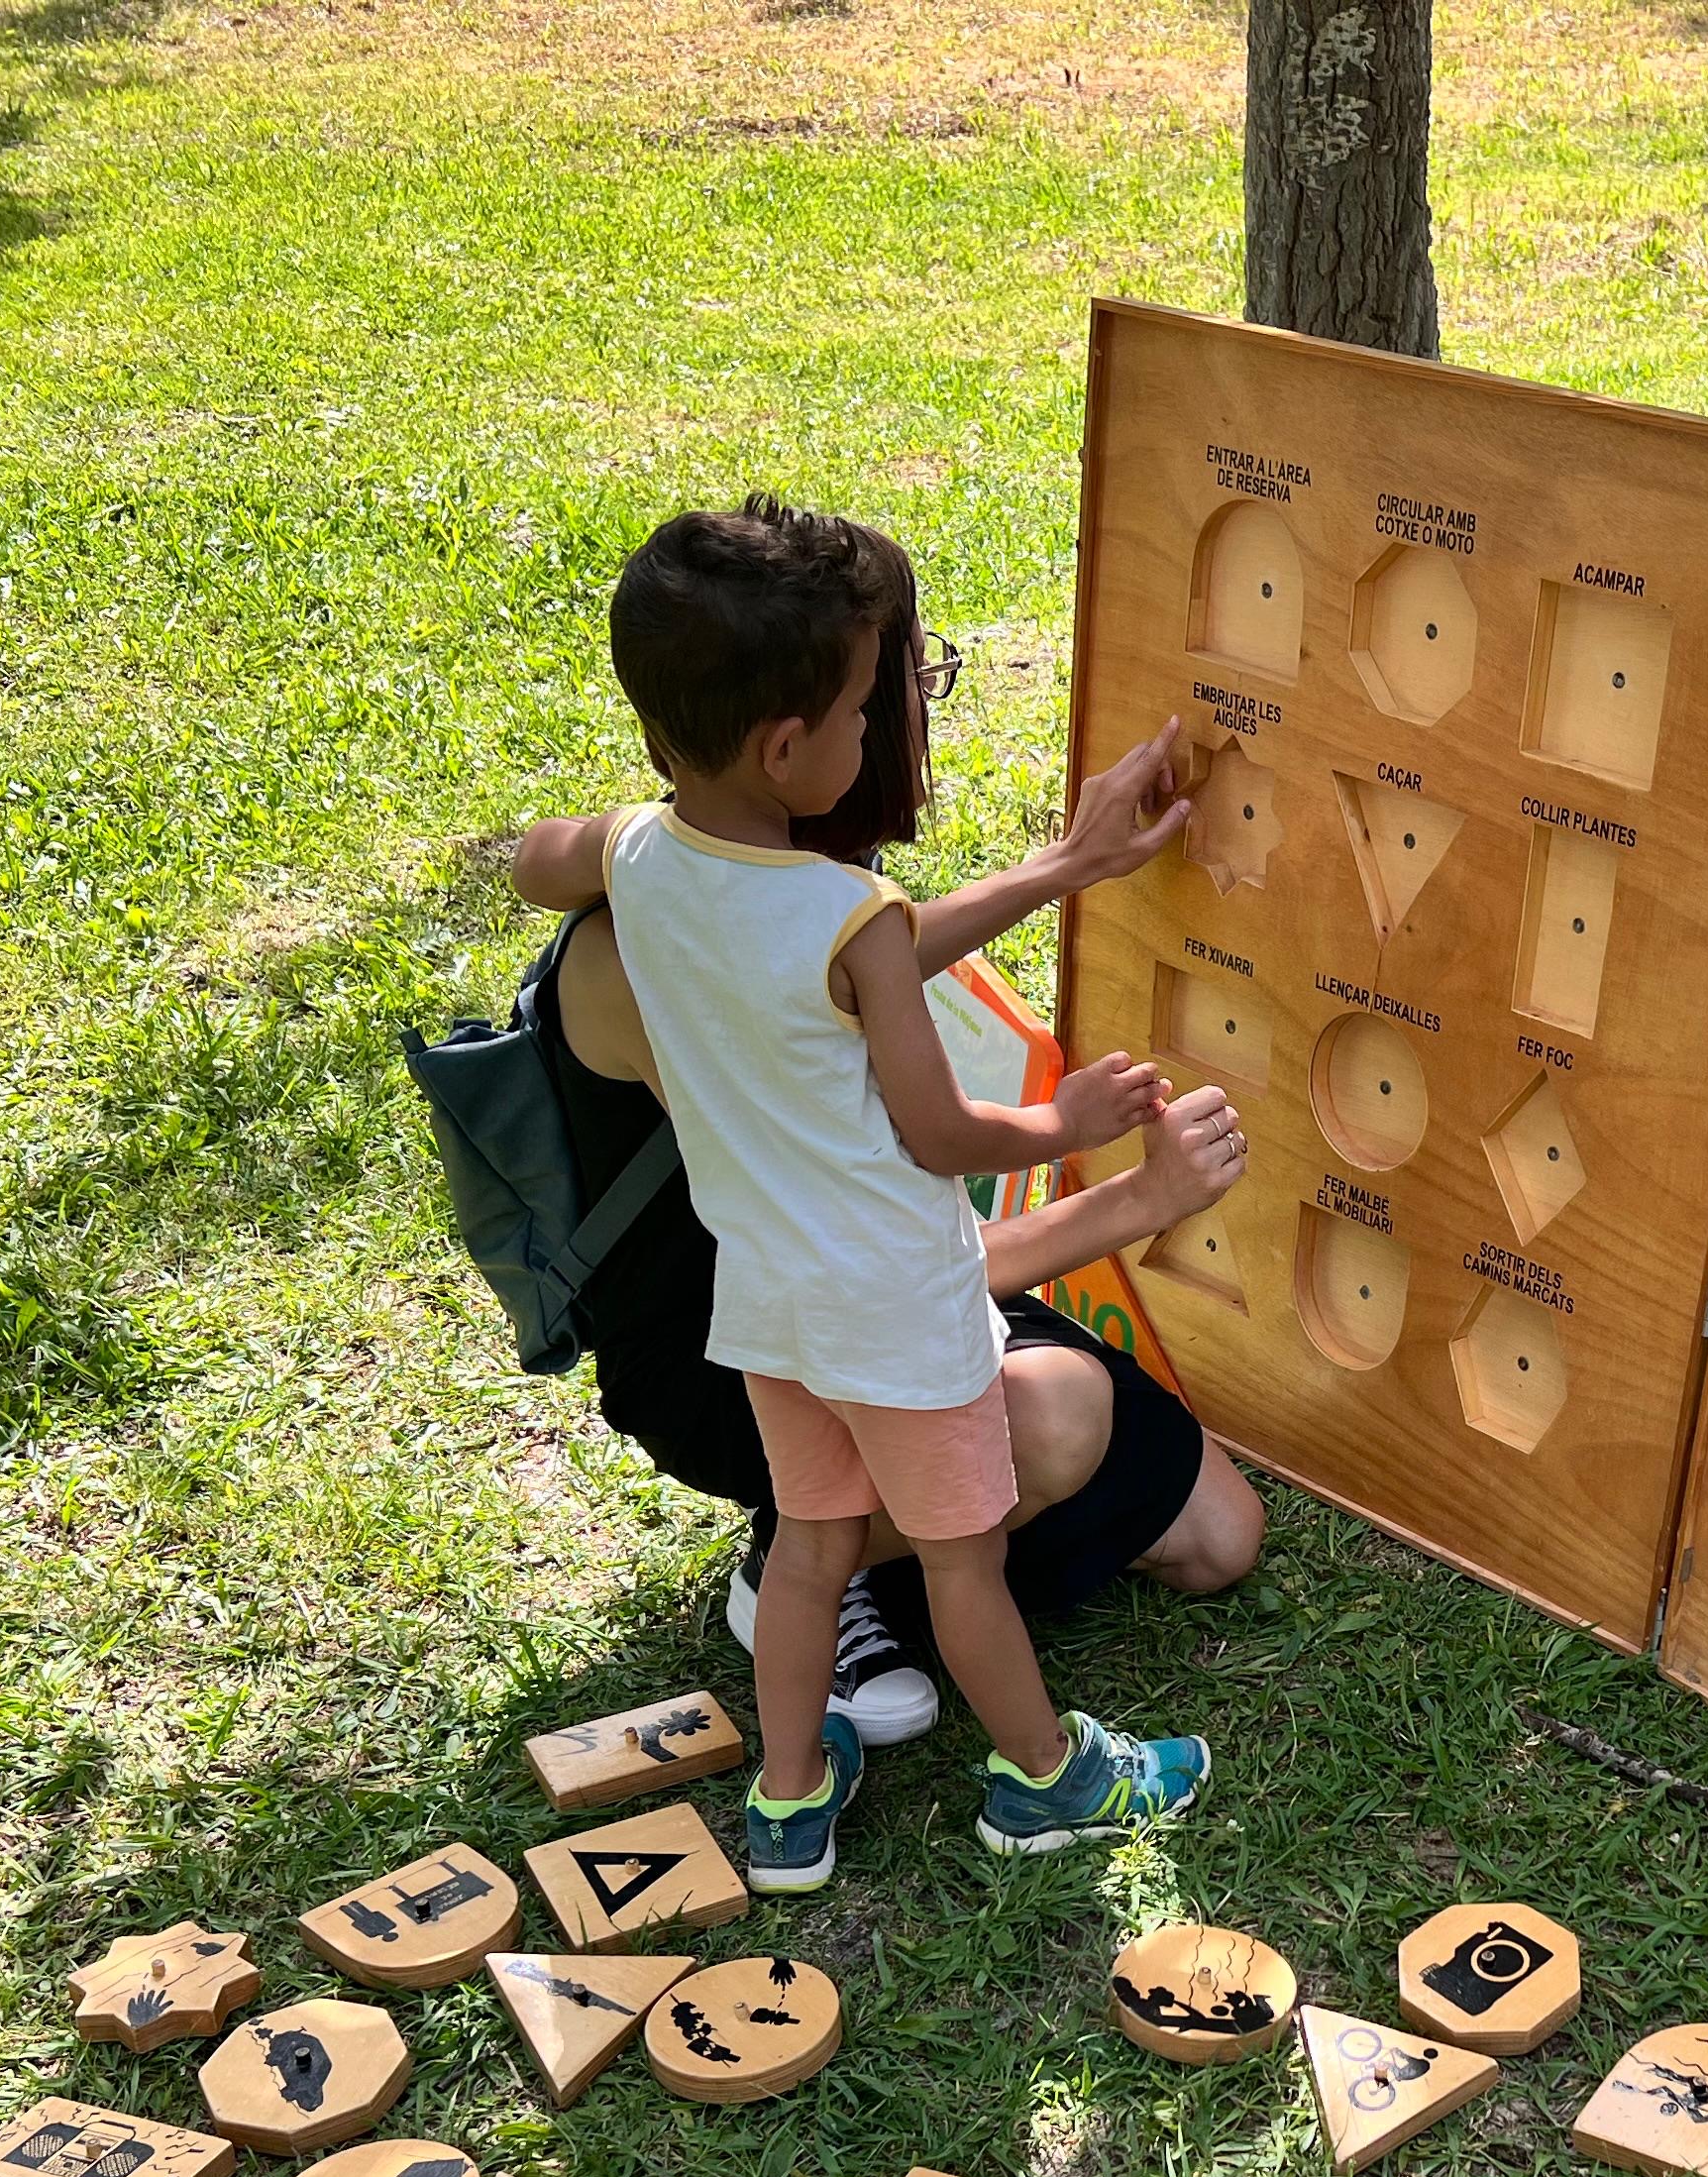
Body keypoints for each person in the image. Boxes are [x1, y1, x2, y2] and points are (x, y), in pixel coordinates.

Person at [511, 498, 1234, 1889]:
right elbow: (942, 1132)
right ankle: (1049, 1780)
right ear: (790, 749)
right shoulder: (853, 922)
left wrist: (1064, 865)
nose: (878, 726)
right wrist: (1068, 1120)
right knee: (961, 1562)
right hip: (898, 1310)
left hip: (767, 1312)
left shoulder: (643, 859)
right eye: (867, 706)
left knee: (812, 1550)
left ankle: (786, 1808)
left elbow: (557, 859)